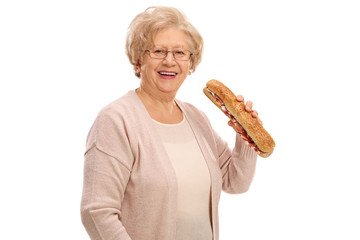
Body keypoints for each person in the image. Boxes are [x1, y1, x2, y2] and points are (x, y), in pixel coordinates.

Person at [81, 6, 260, 240]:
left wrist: (246, 134)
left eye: (179, 52)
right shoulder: (116, 120)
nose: (169, 61)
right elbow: (96, 212)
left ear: (190, 63)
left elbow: (235, 182)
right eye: (158, 51)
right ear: (138, 60)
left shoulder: (196, 118)